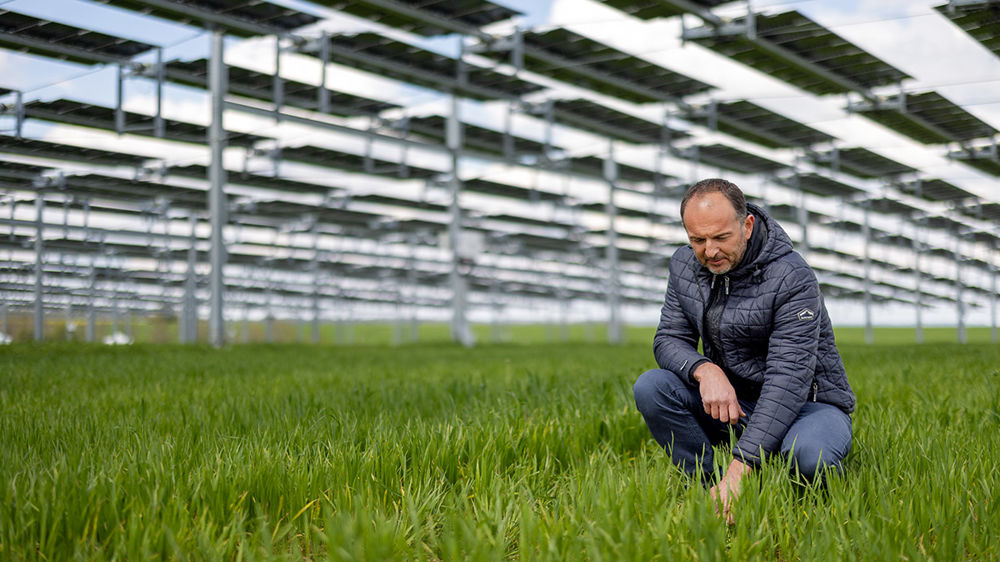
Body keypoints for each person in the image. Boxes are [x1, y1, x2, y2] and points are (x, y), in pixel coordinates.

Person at [633, 178, 855, 523]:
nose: (710, 251)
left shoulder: (792, 277)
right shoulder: (684, 266)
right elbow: (668, 339)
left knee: (810, 458)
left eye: (722, 238)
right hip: (737, 404)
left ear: (747, 225)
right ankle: (707, 490)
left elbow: (789, 379)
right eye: (697, 240)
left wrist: (742, 467)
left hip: (806, 406)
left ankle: (801, 505)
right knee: (653, 387)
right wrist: (705, 369)